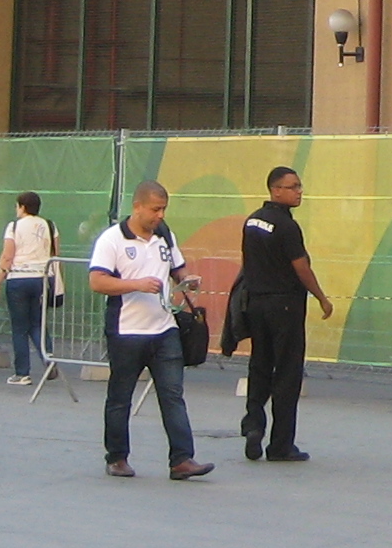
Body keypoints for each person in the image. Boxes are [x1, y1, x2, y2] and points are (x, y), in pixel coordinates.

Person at [89, 182, 213, 480]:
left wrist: (187, 282)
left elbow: (177, 270)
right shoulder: (113, 239)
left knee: (173, 395)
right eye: (155, 209)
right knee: (121, 396)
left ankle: (182, 459)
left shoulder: (165, 236)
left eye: (163, 209)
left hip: (164, 329)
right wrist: (136, 284)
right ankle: (117, 457)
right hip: (126, 331)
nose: (160, 215)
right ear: (138, 207)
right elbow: (97, 282)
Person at [230, 165, 332, 463]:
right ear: (276, 189)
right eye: (293, 187)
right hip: (285, 306)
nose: (299, 191)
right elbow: (301, 267)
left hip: (256, 304)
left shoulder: (252, 222)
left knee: (260, 365)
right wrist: (322, 298)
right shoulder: (287, 226)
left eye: (299, 186)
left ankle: (253, 424)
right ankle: (280, 445)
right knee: (287, 373)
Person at [0, 191, 57, 384]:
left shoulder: (14, 227)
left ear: (22, 207)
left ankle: (22, 372)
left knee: (20, 327)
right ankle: (50, 360)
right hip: (42, 277)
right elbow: (56, 254)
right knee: (38, 323)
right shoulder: (49, 225)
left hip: (19, 278)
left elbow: (7, 256)